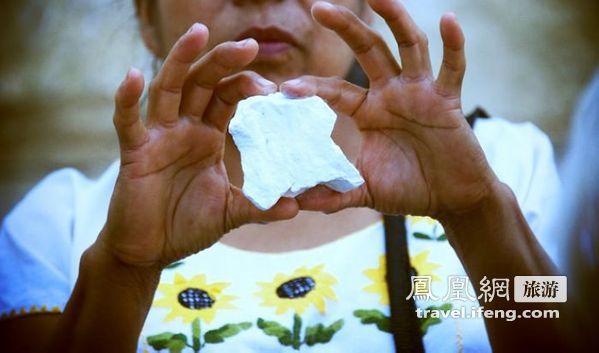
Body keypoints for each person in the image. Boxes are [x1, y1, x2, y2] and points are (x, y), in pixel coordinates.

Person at [0, 0, 561, 352]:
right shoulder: (62, 225)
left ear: (366, 10)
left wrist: (477, 215)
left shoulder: (506, 166)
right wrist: (125, 270)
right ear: (146, 18)